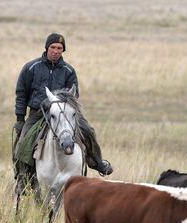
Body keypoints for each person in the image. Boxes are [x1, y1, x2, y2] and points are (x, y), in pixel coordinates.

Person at [13, 33, 113, 185]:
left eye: (59, 48)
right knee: (22, 142)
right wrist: (20, 118)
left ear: (63, 50)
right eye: (53, 47)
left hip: (65, 113)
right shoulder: (31, 67)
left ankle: (98, 162)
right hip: (38, 114)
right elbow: (21, 92)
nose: (56, 51)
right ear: (47, 48)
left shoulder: (68, 70)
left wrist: (60, 104)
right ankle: (23, 177)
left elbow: (74, 95)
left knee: (88, 130)